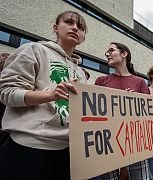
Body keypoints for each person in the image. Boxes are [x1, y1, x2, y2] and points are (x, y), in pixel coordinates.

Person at [0, 11, 88, 179]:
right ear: (55, 28)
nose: (75, 28)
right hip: (28, 148)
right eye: (69, 22)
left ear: (83, 37)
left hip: (67, 151)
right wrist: (50, 95)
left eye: (81, 27)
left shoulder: (80, 72)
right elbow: (7, 93)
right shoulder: (33, 50)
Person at [95, 42, 150, 180]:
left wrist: (134, 101)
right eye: (107, 52)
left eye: (111, 50)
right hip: (108, 142)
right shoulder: (101, 81)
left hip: (135, 141)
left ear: (124, 54)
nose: (107, 54)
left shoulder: (140, 82)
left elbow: (148, 114)